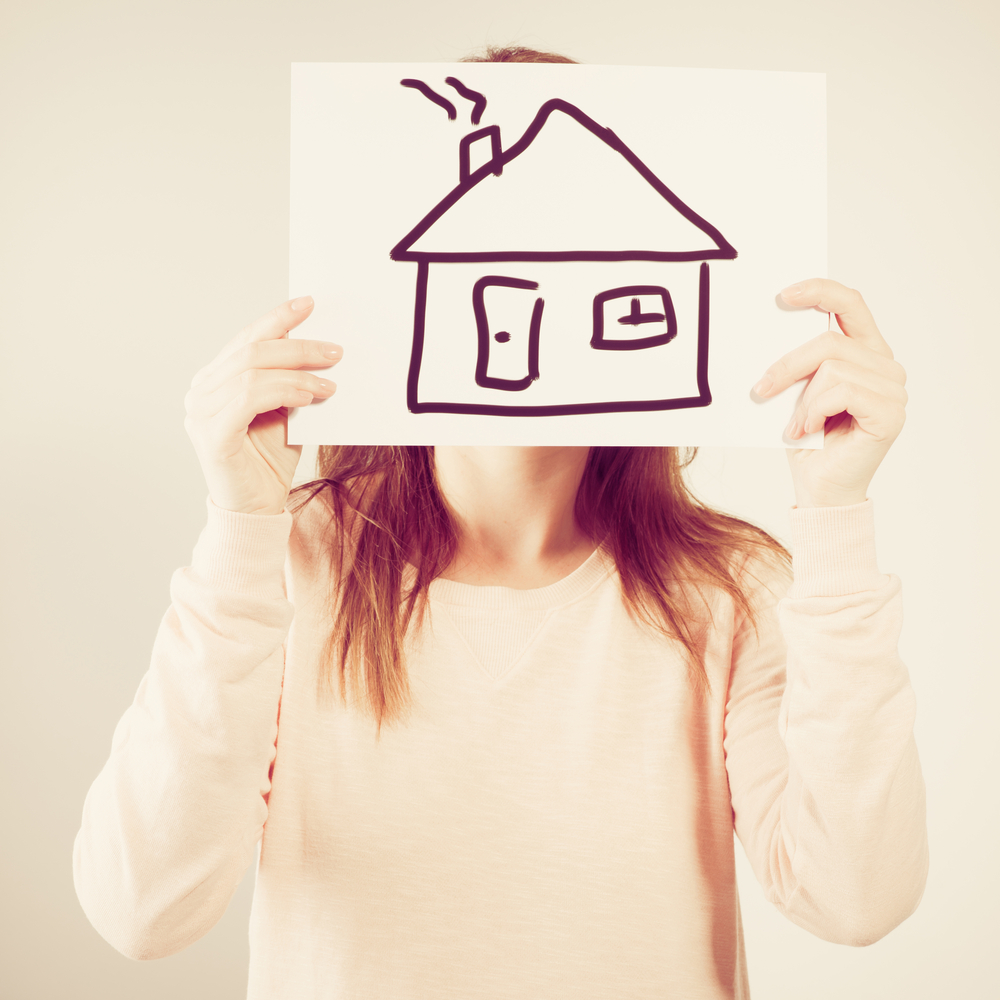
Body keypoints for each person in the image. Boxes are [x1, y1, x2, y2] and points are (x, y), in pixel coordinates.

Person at [73, 47, 926, 1000]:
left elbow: (856, 899)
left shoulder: (730, 594)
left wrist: (836, 509)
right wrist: (241, 529)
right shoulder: (284, 567)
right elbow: (141, 910)